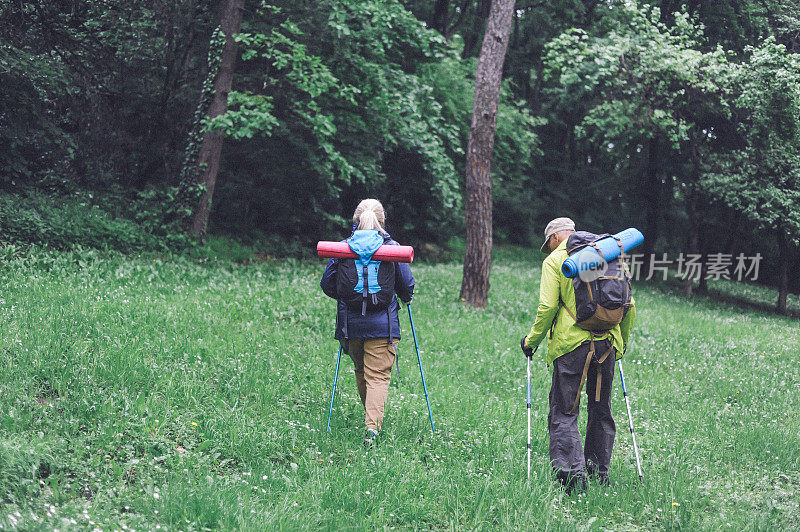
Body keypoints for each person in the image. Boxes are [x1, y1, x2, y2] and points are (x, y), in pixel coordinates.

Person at [521, 217, 636, 493]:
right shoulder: (610, 253)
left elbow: (548, 308)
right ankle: (599, 474)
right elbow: (629, 304)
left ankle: (572, 481)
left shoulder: (555, 261)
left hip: (572, 346)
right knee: (601, 410)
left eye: (548, 243)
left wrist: (531, 341)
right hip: (607, 343)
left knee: (564, 410)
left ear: (556, 237)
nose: (548, 249)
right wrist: (621, 343)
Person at [321, 199, 414, 448]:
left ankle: (371, 418)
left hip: (351, 326)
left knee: (362, 372)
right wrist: (406, 297)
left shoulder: (343, 248)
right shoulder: (391, 247)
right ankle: (372, 428)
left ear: (356, 219)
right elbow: (406, 286)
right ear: (382, 221)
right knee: (378, 377)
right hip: (382, 325)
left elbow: (327, 284)